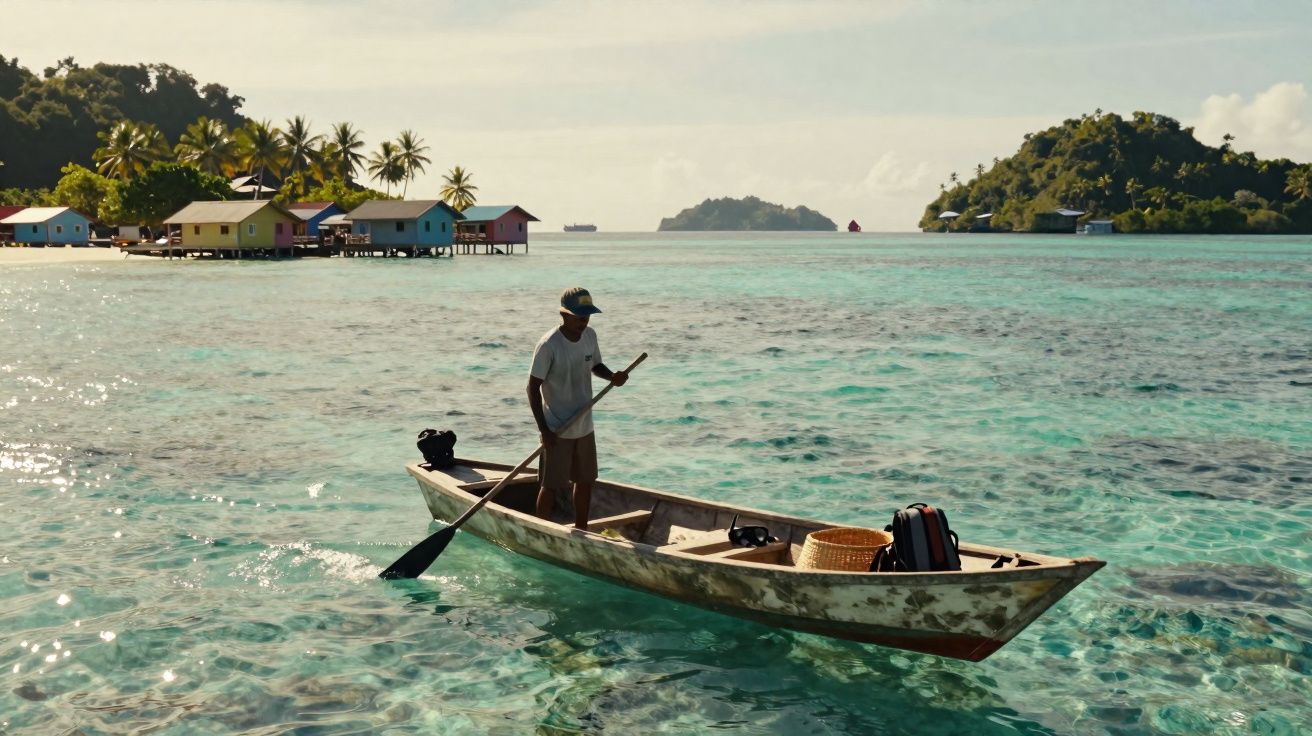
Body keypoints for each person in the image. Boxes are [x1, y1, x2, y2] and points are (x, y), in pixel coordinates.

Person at [528, 287, 629, 529]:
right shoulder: (549, 345)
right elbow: (532, 388)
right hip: (558, 428)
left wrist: (612, 377)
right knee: (550, 485)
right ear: (564, 315)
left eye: (587, 316)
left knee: (585, 481)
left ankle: (581, 530)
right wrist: (544, 430)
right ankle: (541, 531)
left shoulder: (590, 336)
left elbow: (596, 366)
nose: (584, 322)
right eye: (579, 317)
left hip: (584, 425)